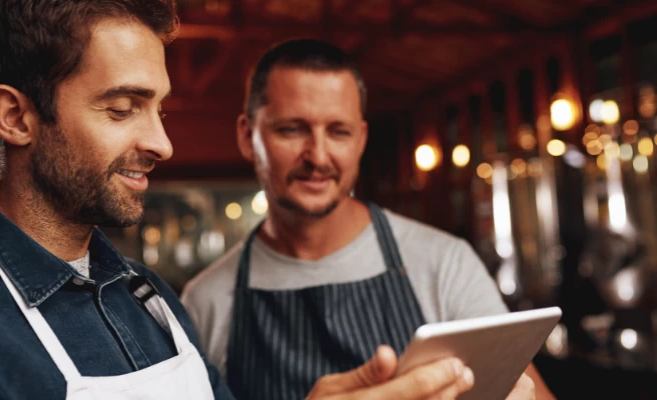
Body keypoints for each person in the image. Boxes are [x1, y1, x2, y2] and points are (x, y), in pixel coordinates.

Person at [0, 2, 477, 399]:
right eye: (121, 109)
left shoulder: (148, 296)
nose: (163, 142)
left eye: (158, 108)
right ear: (15, 116)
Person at [181, 39, 555, 400]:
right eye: (292, 130)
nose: (318, 156)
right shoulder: (206, 300)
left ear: (360, 139)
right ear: (248, 137)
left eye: (338, 131)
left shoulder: (445, 264)